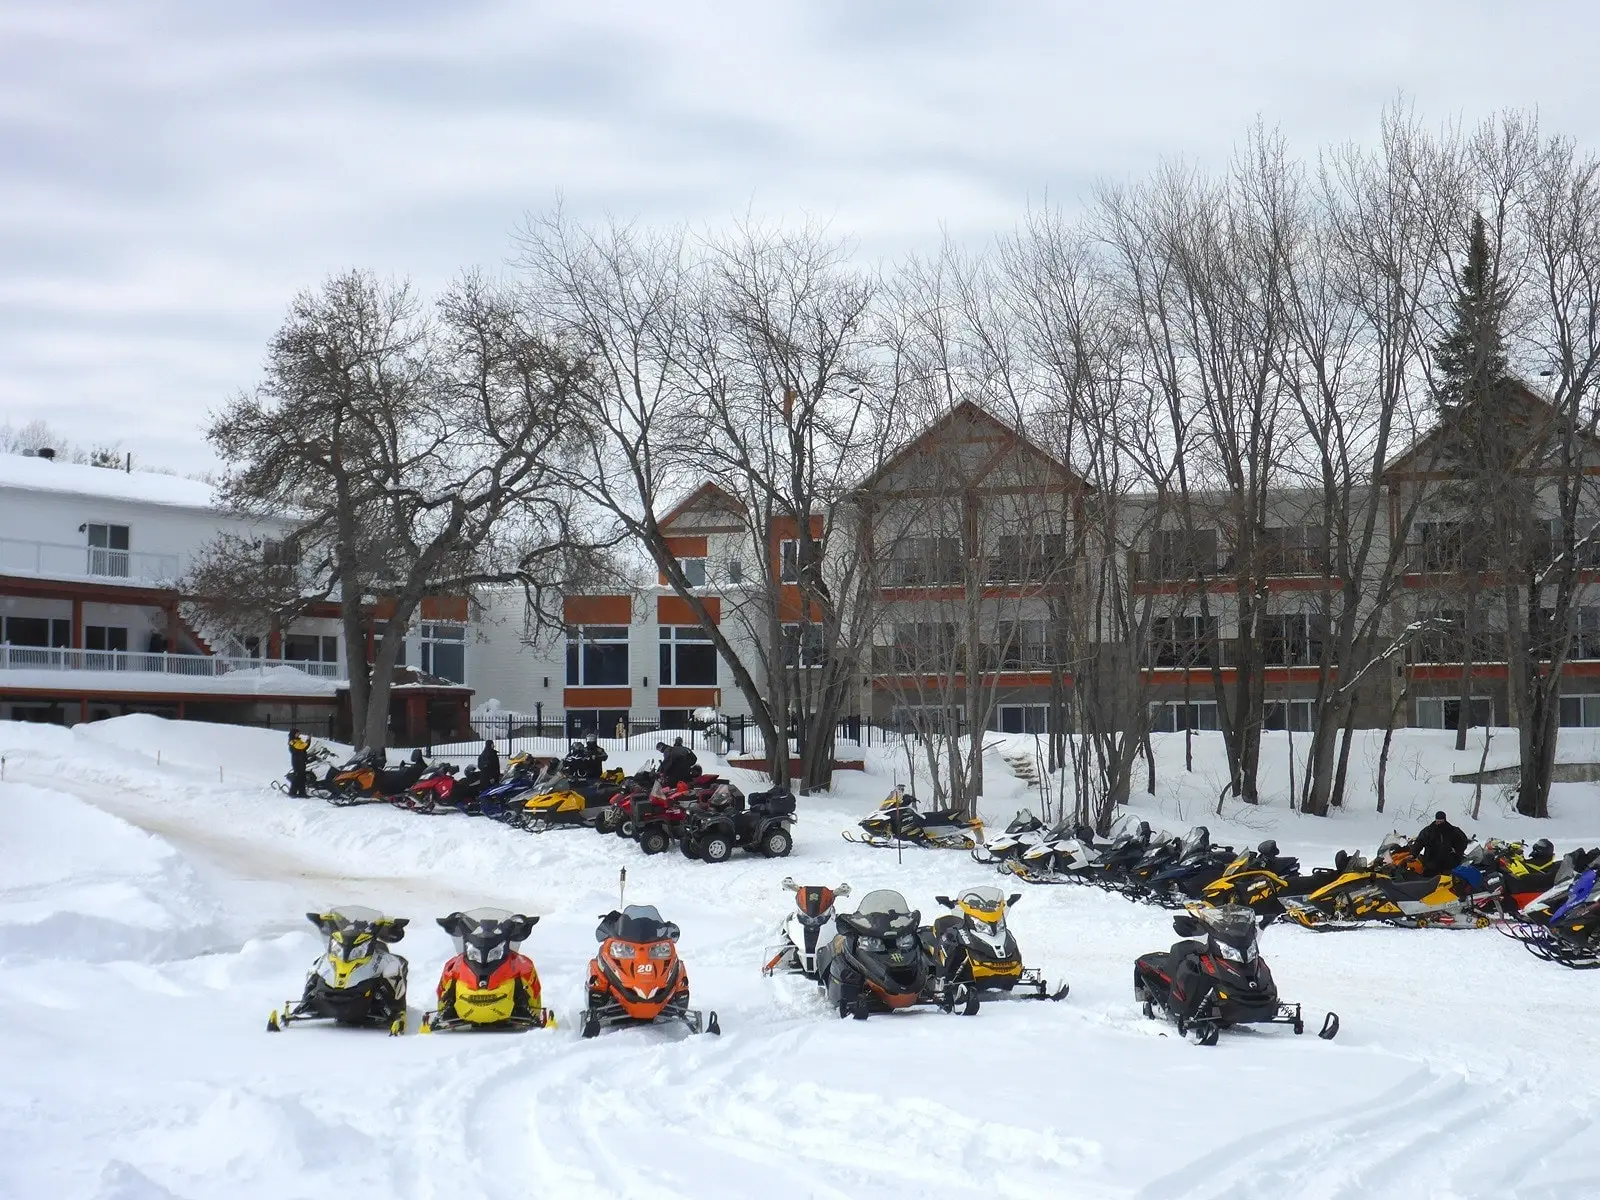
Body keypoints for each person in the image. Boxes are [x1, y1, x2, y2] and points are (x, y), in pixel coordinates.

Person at [1412, 810, 1470, 876]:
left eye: (1441, 821)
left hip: (1448, 863)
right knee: (1428, 882)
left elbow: (1462, 841)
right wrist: (1413, 854)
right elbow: (1419, 842)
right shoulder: (1428, 831)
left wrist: (1456, 850)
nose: (1439, 823)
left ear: (1444, 820)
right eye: (1438, 821)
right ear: (1435, 820)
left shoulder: (1452, 830)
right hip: (1431, 863)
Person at [287, 729, 310, 797]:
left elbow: (305, 747)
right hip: (297, 761)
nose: (299, 734)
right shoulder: (292, 741)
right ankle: (292, 792)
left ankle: (302, 792)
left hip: (302, 760)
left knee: (302, 777)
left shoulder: (298, 740)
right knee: (297, 776)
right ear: (294, 734)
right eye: (297, 733)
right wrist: (308, 740)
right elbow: (302, 747)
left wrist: (309, 740)